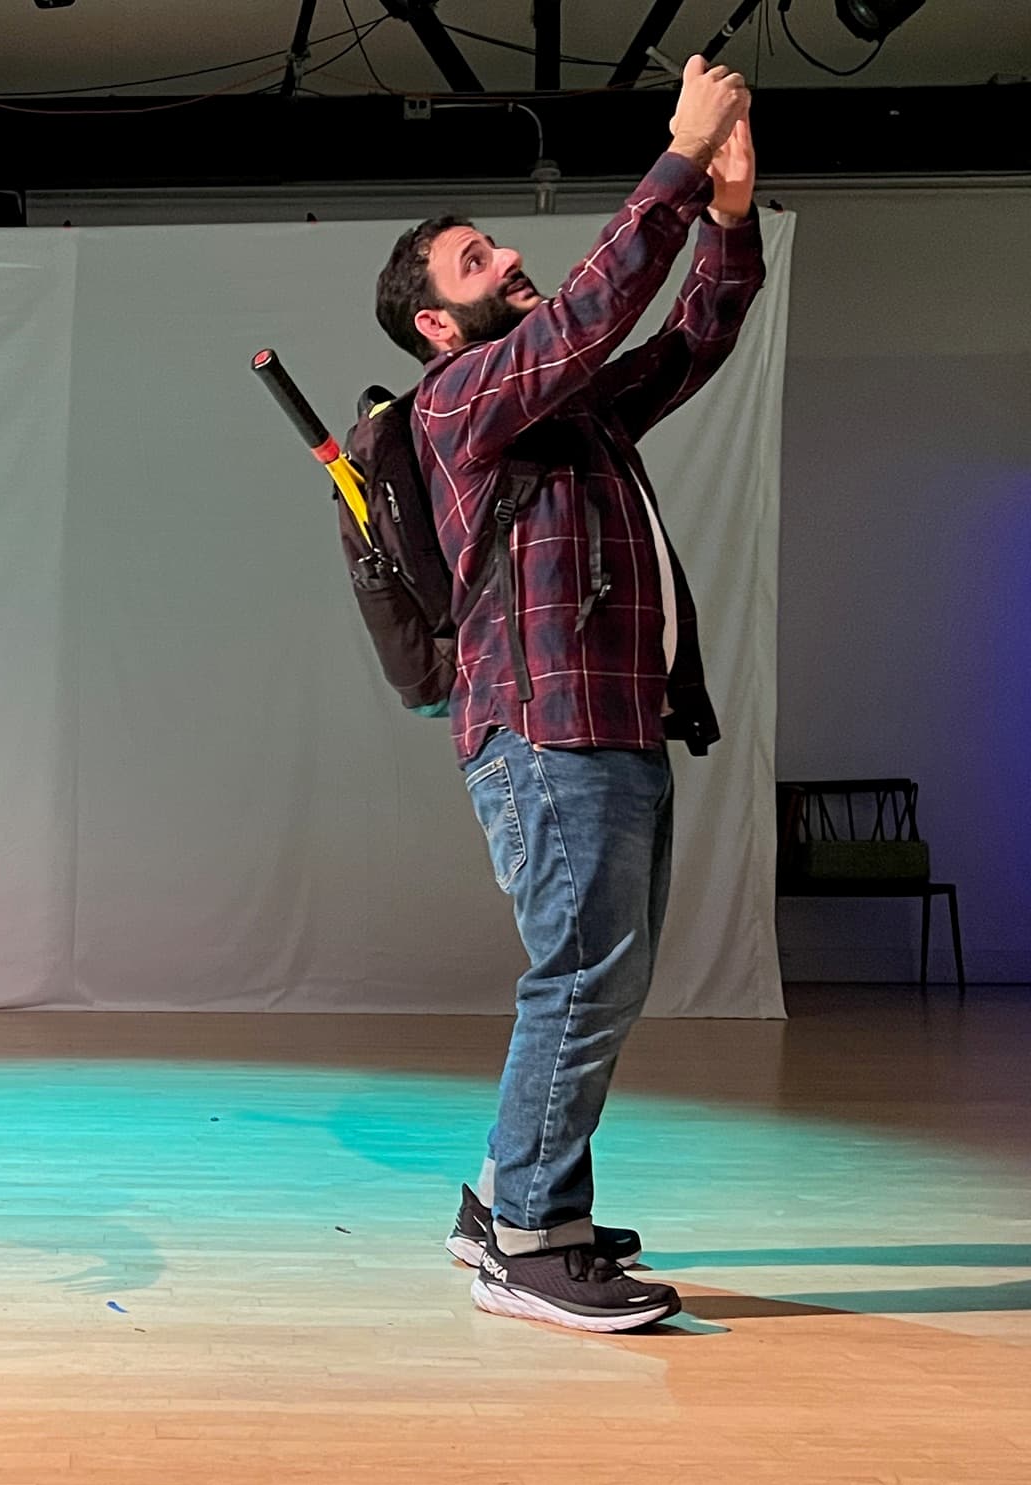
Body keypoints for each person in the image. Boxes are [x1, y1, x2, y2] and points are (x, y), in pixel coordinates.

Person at [372, 58, 765, 1331]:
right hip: (545, 733)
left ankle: (512, 1199)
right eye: (473, 263)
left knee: (603, 969)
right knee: (584, 969)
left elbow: (687, 338)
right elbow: (594, 312)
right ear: (436, 324)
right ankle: (527, 1240)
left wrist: (727, 219)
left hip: (605, 723)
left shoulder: (566, 413)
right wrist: (672, 159)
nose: (505, 264)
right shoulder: (455, 401)